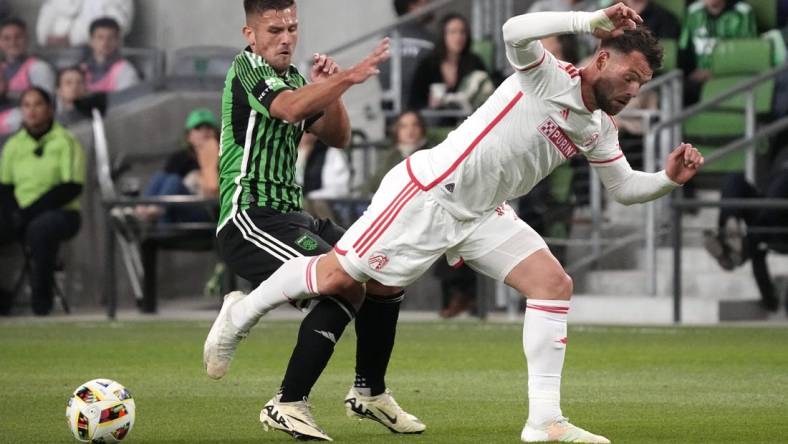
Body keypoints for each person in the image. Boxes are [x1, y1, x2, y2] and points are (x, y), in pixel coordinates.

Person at [207, 4, 707, 443]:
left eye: (642, 85)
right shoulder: (549, 75)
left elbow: (623, 189)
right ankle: (242, 314)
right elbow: (513, 28)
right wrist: (586, 20)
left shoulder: (598, 128)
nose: (633, 92)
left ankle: (545, 421)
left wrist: (667, 178)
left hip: (481, 214)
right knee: (340, 277)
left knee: (553, 284)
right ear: (602, 58)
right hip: (428, 195)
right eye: (629, 77)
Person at [203, 0, 424, 441]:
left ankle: (370, 393)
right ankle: (287, 402)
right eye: (273, 30)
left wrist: (332, 88)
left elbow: (337, 137)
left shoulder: (296, 79)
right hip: (249, 218)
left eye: (292, 27)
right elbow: (287, 110)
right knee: (343, 281)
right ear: (250, 35)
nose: (286, 38)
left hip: (294, 217)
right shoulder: (246, 69)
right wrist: (347, 76)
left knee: (383, 274)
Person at [0, 87, 84, 316]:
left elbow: (71, 187)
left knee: (41, 228)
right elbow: (5, 187)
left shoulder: (65, 141)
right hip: (20, 211)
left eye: (38, 104)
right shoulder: (13, 145)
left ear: (49, 109)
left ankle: (41, 301)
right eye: (26, 105)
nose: (32, 110)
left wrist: (27, 213)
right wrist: (14, 213)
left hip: (62, 212)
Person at [703, 149, 788, 312]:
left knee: (783, 183)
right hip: (766, 215)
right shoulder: (780, 150)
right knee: (733, 179)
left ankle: (738, 248)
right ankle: (730, 225)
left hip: (781, 225)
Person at [135, 108, 220, 224]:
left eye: (209, 128)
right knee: (161, 176)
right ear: (189, 136)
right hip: (177, 208)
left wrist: (210, 156)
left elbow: (212, 191)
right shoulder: (181, 158)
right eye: (198, 128)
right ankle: (140, 211)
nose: (204, 132)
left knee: (174, 180)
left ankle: (150, 213)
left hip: (206, 210)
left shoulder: (224, 157)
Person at [409, 13, 493, 115]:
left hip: (468, 118)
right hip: (434, 118)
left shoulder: (474, 62)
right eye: (453, 32)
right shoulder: (428, 64)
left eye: (462, 32)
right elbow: (414, 101)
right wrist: (429, 104)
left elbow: (487, 95)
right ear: (443, 35)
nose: (458, 37)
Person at [679, 0, 757, 104]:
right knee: (675, 91)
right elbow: (684, 50)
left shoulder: (743, 13)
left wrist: (715, 71)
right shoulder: (693, 12)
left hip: (730, 77)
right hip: (698, 79)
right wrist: (691, 72)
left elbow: (749, 56)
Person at [379, 0, 436, 112]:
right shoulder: (431, 41)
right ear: (412, 6)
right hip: (420, 112)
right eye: (427, 2)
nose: (432, 6)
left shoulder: (386, 37)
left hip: (389, 110)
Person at [36, 0, 134, 48]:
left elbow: (121, 26)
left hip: (104, 57)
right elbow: (42, 35)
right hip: (61, 55)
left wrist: (72, 39)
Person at [81, 17, 140, 93]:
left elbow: (125, 101)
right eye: (100, 37)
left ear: (118, 41)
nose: (105, 43)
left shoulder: (125, 70)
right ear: (91, 41)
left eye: (111, 38)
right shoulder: (81, 68)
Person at [0, 18, 56, 98]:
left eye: (18, 37)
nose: (13, 42)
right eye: (6, 38)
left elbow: (46, 102)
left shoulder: (39, 68)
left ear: (27, 38)